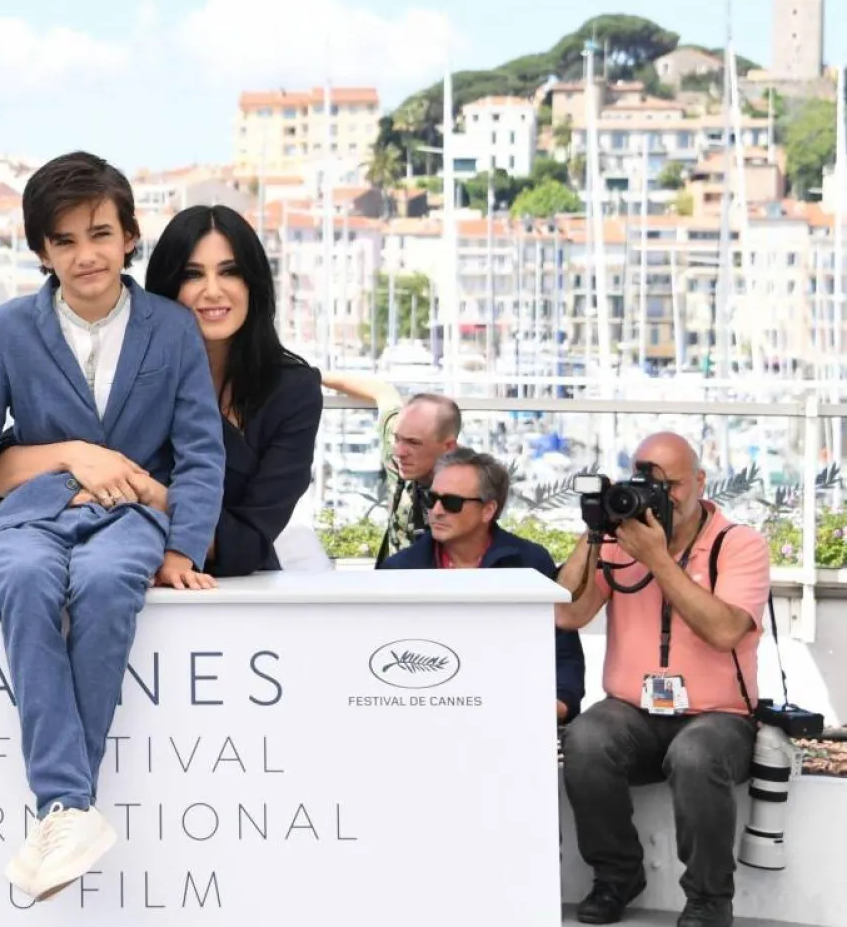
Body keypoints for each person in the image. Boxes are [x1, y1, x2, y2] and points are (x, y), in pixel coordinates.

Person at [0, 150, 226, 901]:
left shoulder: (171, 328)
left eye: (99, 233)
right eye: (64, 241)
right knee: (21, 577)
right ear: (42, 251)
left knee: (104, 583)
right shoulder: (10, 328)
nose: (85, 254)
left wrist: (182, 545)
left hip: (127, 516)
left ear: (129, 236)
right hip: (31, 512)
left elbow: (200, 447)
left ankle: (60, 808)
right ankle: (70, 808)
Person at [0, 203, 322, 576]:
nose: (212, 291)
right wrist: (74, 455)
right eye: (192, 275)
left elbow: (248, 540)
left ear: (254, 283)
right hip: (106, 573)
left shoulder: (293, 391)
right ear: (167, 286)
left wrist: (154, 495)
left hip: (221, 586)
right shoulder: (125, 365)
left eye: (230, 272)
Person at [555, 432, 769, 927]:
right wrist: (595, 532)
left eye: (672, 484)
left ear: (699, 481)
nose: (661, 496)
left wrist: (658, 560)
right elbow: (567, 614)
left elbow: (723, 630)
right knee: (586, 737)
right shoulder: (620, 537)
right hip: (632, 712)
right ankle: (617, 877)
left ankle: (709, 899)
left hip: (720, 718)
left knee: (696, 755)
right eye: (649, 483)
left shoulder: (739, 544)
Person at [379, 448, 585, 723]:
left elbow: (561, 646)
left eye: (451, 502)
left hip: (511, 712)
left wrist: (560, 702)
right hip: (422, 712)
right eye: (431, 498)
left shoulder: (529, 562)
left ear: (489, 510)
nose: (436, 511)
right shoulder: (399, 569)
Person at [321, 373, 460, 563]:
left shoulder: (468, 496)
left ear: (448, 448)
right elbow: (382, 391)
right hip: (390, 583)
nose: (399, 451)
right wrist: (310, 373)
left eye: (413, 443)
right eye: (397, 438)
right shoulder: (401, 451)